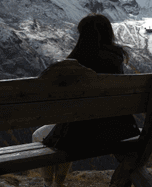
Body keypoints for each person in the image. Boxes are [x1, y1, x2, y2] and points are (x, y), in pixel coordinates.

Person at [33, 13, 140, 187]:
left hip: (81, 134)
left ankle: (52, 184)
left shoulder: (74, 63)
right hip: (119, 129)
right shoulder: (117, 58)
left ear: (83, 36)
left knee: (40, 135)